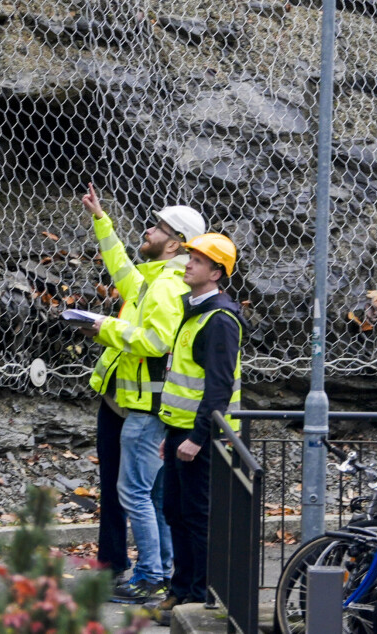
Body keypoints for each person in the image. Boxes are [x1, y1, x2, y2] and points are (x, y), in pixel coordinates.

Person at [80, 183, 207, 604]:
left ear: (174, 244)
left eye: (156, 228)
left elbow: (156, 341)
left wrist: (104, 328)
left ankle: (151, 575)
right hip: (131, 403)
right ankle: (162, 572)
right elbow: (121, 269)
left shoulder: (168, 287)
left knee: (136, 493)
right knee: (149, 495)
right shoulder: (156, 280)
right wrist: (102, 221)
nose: (147, 232)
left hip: (146, 408)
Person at [151, 233, 244, 626]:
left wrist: (195, 437)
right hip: (181, 433)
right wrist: (172, 433)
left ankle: (201, 595)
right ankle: (183, 587)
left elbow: (218, 388)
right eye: (189, 256)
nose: (188, 264)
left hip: (203, 438)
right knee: (175, 510)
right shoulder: (196, 310)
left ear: (216, 272)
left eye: (198, 260)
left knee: (197, 516)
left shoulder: (220, 319)